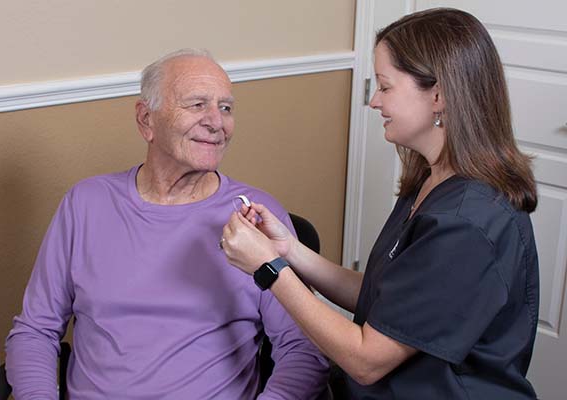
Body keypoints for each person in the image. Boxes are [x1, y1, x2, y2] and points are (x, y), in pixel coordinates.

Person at [222, 8, 539, 399]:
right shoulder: (428, 180)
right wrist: (289, 250)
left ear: (438, 95)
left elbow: (366, 360)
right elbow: (389, 300)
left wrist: (269, 269)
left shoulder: (466, 223)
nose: (373, 101)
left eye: (385, 87)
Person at [5, 48, 329, 399]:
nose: (216, 122)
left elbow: (303, 351)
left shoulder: (257, 219)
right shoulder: (85, 204)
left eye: (225, 107)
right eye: (197, 105)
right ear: (146, 120)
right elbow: (35, 331)